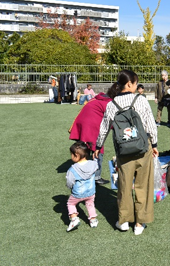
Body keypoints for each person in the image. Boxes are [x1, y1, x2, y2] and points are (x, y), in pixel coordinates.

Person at [94, 70, 158, 236]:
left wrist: (98, 146)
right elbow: (150, 124)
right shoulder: (141, 100)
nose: (137, 86)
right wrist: (155, 144)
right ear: (129, 84)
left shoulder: (111, 104)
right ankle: (139, 223)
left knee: (124, 185)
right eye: (136, 83)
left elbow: (104, 128)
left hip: (123, 150)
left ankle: (123, 221)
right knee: (143, 185)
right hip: (143, 148)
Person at [69, 92, 113, 185]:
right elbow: (111, 119)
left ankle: (80, 173)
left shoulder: (96, 99)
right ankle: (96, 176)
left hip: (82, 124)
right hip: (92, 127)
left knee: (83, 150)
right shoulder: (108, 103)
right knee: (98, 150)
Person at [66, 141, 99, 231]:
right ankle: (93, 220)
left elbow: (69, 181)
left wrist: (70, 186)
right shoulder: (93, 164)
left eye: (71, 154)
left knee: (71, 203)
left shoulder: (72, 169)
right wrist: (95, 158)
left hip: (78, 193)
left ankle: (74, 219)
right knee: (90, 204)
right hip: (91, 192)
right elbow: (97, 165)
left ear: (76, 154)